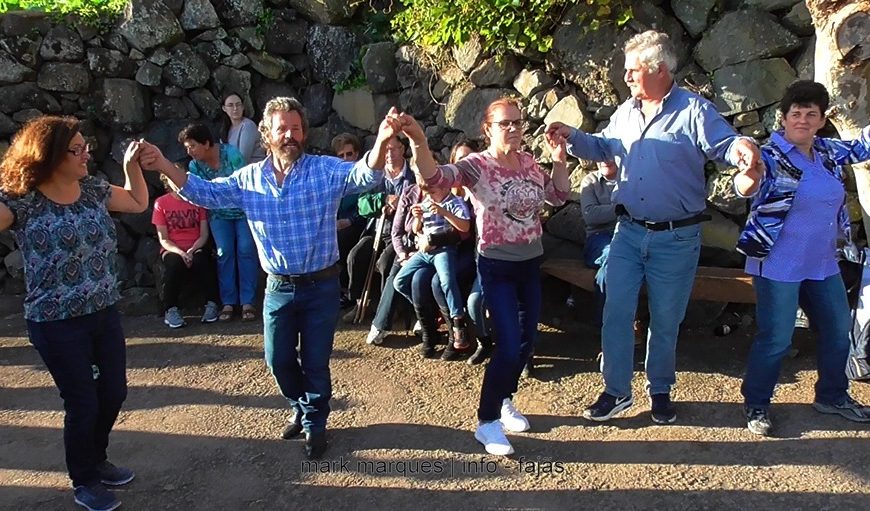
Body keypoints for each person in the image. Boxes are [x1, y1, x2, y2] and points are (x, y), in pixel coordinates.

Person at [141, 97, 399, 460]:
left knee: (315, 360)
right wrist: (165, 164)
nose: (290, 135)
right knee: (277, 359)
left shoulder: (324, 170)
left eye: (296, 128)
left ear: (304, 133)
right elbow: (205, 192)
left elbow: (363, 175)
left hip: (321, 284)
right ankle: (299, 404)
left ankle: (314, 422)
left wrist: (384, 140)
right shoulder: (249, 178)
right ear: (267, 134)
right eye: (282, 129)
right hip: (278, 287)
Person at [547, 30, 760, 425]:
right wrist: (573, 137)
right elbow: (602, 146)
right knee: (615, 311)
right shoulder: (625, 112)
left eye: (632, 71)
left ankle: (660, 390)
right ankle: (616, 391)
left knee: (665, 320)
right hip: (627, 234)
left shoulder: (695, 111)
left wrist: (743, 150)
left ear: (658, 70)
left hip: (677, 238)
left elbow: (725, 144)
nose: (626, 78)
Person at [400, 97, 570, 456]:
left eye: (517, 123)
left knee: (525, 341)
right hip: (497, 266)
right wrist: (418, 139)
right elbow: (434, 179)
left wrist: (558, 158)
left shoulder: (527, 162)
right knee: (508, 342)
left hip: (530, 263)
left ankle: (505, 398)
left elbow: (558, 195)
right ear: (488, 129)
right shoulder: (477, 166)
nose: (512, 129)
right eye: (504, 123)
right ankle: (487, 421)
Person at [0, 116, 149, 511]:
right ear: (49, 155)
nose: (87, 154)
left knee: (114, 391)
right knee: (82, 401)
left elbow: (136, 202)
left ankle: (96, 459)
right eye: (77, 149)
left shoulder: (94, 190)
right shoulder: (22, 200)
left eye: (87, 148)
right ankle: (83, 479)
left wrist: (131, 167)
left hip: (102, 312)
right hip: (54, 321)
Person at [733, 80, 870, 435]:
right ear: (783, 117)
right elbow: (746, 184)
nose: (804, 121)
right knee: (777, 337)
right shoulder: (770, 155)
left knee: (839, 332)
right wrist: (747, 175)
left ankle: (832, 395)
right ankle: (757, 403)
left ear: (823, 120)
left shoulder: (827, 151)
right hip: (778, 264)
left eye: (812, 114)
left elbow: (863, 146)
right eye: (797, 113)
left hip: (823, 263)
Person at [179, 123, 259, 322]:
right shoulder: (194, 166)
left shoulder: (231, 154)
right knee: (224, 252)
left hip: (243, 211)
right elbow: (199, 192)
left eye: (192, 146)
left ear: (206, 143)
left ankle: (248, 301)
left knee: (246, 249)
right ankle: (228, 302)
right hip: (218, 214)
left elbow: (245, 183)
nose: (190, 152)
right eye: (187, 148)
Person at [393, 181, 472, 353]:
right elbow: (415, 229)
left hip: (444, 249)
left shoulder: (455, 202)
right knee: (399, 281)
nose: (428, 194)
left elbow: (465, 227)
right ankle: (429, 313)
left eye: (432, 190)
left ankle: (458, 321)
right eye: (426, 191)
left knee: (446, 280)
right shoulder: (426, 202)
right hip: (423, 251)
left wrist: (444, 212)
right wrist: (418, 218)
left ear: (444, 186)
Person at [344, 135, 415, 322]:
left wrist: (400, 205)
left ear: (403, 149)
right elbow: (362, 206)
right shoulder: (376, 176)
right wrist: (382, 200)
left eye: (393, 148)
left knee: (386, 262)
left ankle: (389, 308)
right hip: (377, 230)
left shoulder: (412, 175)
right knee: (356, 255)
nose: (389, 154)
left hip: (401, 235)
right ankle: (360, 302)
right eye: (386, 149)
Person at [152, 173, 220, 328]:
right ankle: (170, 308)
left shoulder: (197, 201)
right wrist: (181, 252)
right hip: (172, 248)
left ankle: (212, 303)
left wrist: (191, 250)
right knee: (174, 264)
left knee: (202, 261)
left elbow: (204, 234)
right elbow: (163, 238)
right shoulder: (161, 203)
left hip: (196, 245)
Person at [579, 160, 618, 326]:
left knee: (611, 267)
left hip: (630, 236)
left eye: (610, 155)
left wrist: (607, 211)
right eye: (601, 155)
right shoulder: (590, 181)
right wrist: (620, 208)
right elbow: (590, 215)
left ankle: (608, 327)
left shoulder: (634, 179)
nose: (605, 160)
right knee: (614, 255)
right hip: (599, 238)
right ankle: (613, 326)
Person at [332, 133, 366, 307]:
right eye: (341, 155)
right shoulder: (335, 177)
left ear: (357, 154)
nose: (346, 158)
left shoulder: (363, 176)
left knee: (341, 239)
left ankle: (345, 290)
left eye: (349, 154)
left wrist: (350, 220)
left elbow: (366, 205)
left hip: (360, 222)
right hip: (337, 223)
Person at [220, 91, 265, 164]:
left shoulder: (247, 126)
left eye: (238, 105)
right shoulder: (227, 129)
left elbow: (243, 159)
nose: (235, 108)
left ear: (243, 107)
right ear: (224, 108)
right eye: (230, 105)